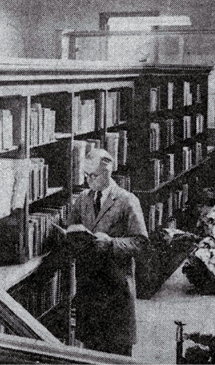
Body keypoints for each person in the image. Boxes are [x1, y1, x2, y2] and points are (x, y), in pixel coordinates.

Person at [66, 148, 148, 356]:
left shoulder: (127, 200)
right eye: (85, 175)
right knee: (91, 351)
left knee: (117, 350)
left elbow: (141, 243)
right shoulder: (82, 199)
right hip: (89, 288)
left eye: (92, 176)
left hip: (115, 289)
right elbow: (71, 229)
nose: (87, 180)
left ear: (107, 173)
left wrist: (111, 243)